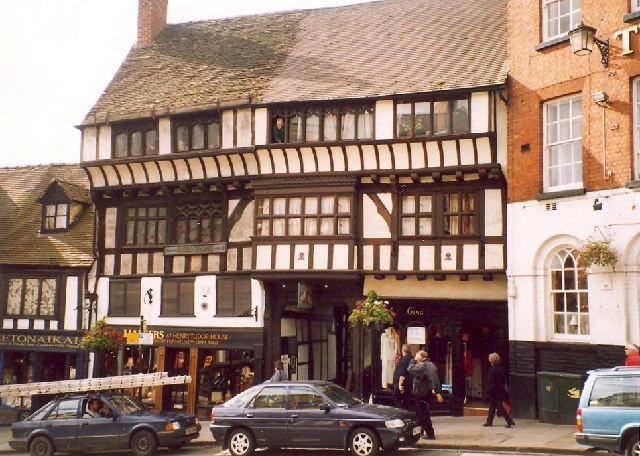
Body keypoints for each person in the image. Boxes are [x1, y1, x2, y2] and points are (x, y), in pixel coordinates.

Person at [407, 350, 443, 440]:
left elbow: (410, 369)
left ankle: (430, 433)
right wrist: (438, 392)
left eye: (417, 355)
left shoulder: (422, 365)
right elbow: (436, 379)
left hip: (421, 393)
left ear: (422, 357)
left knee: (422, 413)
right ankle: (422, 432)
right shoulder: (431, 365)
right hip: (427, 392)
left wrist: (413, 360)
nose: (415, 356)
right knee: (421, 413)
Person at [483, 352, 515, 428]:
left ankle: (509, 421)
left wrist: (488, 391)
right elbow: (503, 380)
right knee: (492, 406)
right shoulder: (501, 369)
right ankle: (489, 421)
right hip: (500, 390)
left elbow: (490, 381)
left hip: (494, 391)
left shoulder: (492, 370)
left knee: (499, 407)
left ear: (491, 361)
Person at [392, 344, 413, 409]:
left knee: (395, 398)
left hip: (402, 384)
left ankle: (403, 413)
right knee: (405, 400)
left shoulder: (404, 359)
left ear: (403, 350)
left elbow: (403, 373)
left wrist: (400, 385)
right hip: (409, 384)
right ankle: (408, 413)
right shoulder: (411, 358)